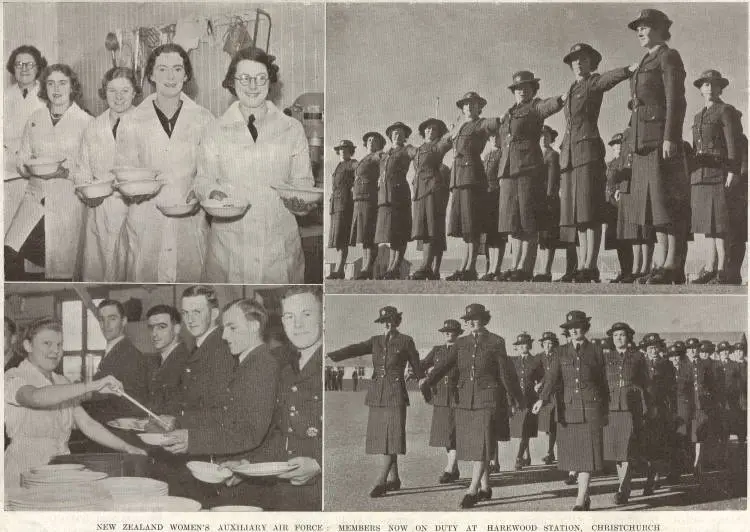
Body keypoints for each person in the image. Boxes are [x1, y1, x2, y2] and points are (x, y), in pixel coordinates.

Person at [195, 47, 313, 283]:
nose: (253, 85)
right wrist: (212, 192)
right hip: (229, 244)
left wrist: (301, 204)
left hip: (278, 245)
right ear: (232, 81)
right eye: (245, 78)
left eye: (261, 78)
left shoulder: (292, 128)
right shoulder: (214, 129)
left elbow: (303, 181)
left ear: (270, 82)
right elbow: (203, 179)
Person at [162, 298, 281, 509]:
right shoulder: (246, 363)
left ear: (254, 327)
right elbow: (225, 415)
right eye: (225, 328)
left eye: (232, 328)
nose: (225, 336)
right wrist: (180, 421)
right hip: (235, 470)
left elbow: (249, 432)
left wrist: (193, 439)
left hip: (247, 481)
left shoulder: (262, 366)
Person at [5, 318, 145, 487]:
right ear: (28, 346)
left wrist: (127, 447)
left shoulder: (61, 381)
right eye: (47, 343)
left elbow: (87, 424)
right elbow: (36, 397)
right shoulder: (13, 376)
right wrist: (92, 385)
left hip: (60, 465)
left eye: (59, 344)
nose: (55, 350)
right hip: (25, 468)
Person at [116, 43, 214, 282]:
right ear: (151, 75)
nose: (170, 77)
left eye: (177, 69)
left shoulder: (204, 118)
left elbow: (211, 171)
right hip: (146, 217)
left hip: (189, 218)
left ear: (186, 74)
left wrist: (200, 192)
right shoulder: (132, 120)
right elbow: (125, 171)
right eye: (162, 69)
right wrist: (133, 192)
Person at [421, 303, 522, 509]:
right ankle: (485, 487)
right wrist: (428, 380)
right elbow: (444, 365)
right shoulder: (461, 342)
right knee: (476, 445)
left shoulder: (496, 341)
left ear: (484, 319)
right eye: (468, 319)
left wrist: (516, 398)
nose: (471, 322)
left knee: (482, 443)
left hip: (488, 399)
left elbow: (506, 373)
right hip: (465, 400)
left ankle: (472, 489)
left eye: (475, 318)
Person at [6, 64, 92, 281]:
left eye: (63, 83)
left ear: (72, 87)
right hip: (35, 199)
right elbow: (21, 158)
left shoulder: (87, 123)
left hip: (67, 203)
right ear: (44, 87)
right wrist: (28, 167)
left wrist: (65, 173)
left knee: (58, 266)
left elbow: (91, 172)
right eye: (51, 83)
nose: (56, 89)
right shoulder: (35, 117)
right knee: (10, 251)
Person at [557, 44, 635, 282]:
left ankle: (591, 265)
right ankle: (582, 265)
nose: (578, 63)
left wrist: (628, 69)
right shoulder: (571, 89)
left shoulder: (592, 83)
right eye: (574, 60)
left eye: (583, 59)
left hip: (588, 154)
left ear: (592, 63)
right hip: (571, 156)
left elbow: (607, 80)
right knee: (579, 215)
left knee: (590, 213)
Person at [328, 306, 424, 498]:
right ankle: (394, 478)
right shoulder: (376, 341)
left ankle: (381, 481)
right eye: (384, 321)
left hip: (395, 394)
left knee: (393, 435)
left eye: (390, 320)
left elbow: (416, 365)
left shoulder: (406, 341)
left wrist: (422, 379)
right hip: (377, 394)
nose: (387, 323)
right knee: (384, 437)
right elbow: (355, 349)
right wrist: (333, 355)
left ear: (397, 321)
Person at [624, 9, 689, 285]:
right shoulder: (644, 61)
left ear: (661, 29)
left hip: (659, 140)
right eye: (637, 27)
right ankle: (662, 264)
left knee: (667, 202)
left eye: (645, 26)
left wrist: (670, 137)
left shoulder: (667, 56)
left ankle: (674, 264)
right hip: (642, 143)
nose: (640, 31)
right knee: (654, 207)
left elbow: (676, 100)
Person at [533, 310, 609, 511]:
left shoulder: (596, 350)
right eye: (570, 328)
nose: (574, 330)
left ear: (585, 328)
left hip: (592, 409)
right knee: (577, 456)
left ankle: (580, 498)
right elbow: (551, 378)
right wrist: (542, 399)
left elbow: (603, 382)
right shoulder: (561, 352)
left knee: (588, 456)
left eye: (578, 326)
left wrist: (605, 409)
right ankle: (585, 495)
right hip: (569, 410)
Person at [496, 72, 564, 281]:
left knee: (528, 220)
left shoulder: (535, 107)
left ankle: (526, 267)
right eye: (518, 88)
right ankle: (515, 265)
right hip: (508, 171)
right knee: (513, 222)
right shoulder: (508, 114)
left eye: (526, 88)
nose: (521, 91)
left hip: (527, 168)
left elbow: (549, 106)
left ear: (533, 90)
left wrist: (562, 98)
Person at [261, 286, 323, 510]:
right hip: (285, 494)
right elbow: (279, 431)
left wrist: (319, 463)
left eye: (306, 314)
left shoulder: (328, 362)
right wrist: (248, 463)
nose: (297, 325)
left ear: (323, 316)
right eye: (289, 316)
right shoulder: (284, 367)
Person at [75, 67, 139, 281]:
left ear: (134, 92)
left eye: (125, 90)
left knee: (131, 267)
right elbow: (82, 171)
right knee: (100, 271)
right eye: (112, 91)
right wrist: (87, 194)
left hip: (136, 209)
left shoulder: (145, 123)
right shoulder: (93, 127)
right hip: (100, 209)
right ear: (104, 92)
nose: (118, 97)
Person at [688, 70, 743, 284]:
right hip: (700, 175)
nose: (709, 87)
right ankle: (710, 267)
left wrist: (732, 170)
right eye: (705, 84)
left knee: (719, 224)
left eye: (713, 84)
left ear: (720, 88)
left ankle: (722, 269)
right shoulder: (697, 116)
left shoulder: (725, 111)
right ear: (701, 89)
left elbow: (733, 143)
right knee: (707, 225)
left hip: (718, 173)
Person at [445, 92, 499, 281]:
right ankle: (464, 265)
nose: (468, 107)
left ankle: (471, 267)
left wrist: (503, 119)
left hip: (472, 177)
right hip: (459, 178)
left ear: (479, 107)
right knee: (464, 227)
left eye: (473, 104)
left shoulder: (480, 123)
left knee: (472, 225)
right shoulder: (460, 127)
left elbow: (494, 123)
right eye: (466, 104)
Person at [4, 45, 47, 279]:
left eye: (29, 64)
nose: (24, 69)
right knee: (8, 240)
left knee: (27, 237)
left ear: (38, 67)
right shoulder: (5, 97)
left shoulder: (46, 95)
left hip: (36, 177)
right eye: (19, 64)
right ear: (13, 68)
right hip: (7, 175)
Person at [83, 299, 151, 426]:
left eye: (112, 318)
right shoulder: (113, 349)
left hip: (117, 429)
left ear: (124, 321)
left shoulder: (130, 355)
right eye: (102, 319)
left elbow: (133, 405)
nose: (106, 324)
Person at [603, 323, 648, 504]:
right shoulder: (606, 358)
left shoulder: (637, 357)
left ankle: (623, 487)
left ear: (628, 337)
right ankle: (623, 484)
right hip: (612, 408)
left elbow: (646, 382)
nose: (619, 338)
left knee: (627, 449)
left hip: (631, 408)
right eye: (616, 335)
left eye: (622, 335)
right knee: (617, 451)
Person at [409, 118, 452, 280]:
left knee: (432, 228)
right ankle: (432, 270)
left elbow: (448, 141)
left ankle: (427, 266)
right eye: (427, 129)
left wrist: (449, 133)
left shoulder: (438, 146)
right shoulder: (419, 149)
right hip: (420, 191)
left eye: (434, 129)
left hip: (433, 189)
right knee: (427, 229)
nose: (429, 131)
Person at [420, 319, 462, 484]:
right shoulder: (437, 350)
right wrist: (416, 373)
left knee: (453, 432)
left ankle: (450, 468)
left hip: (457, 396)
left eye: (451, 331)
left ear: (458, 333)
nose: (447, 333)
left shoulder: (463, 349)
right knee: (446, 434)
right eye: (445, 331)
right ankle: (454, 468)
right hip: (440, 397)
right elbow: (422, 364)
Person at [374, 122, 414, 279]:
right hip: (385, 197)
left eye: (400, 132)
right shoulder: (385, 154)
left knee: (400, 233)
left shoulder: (407, 149)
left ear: (405, 136)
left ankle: (395, 267)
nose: (397, 134)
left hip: (399, 194)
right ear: (390, 136)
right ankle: (391, 268)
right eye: (394, 132)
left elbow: (418, 154)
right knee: (391, 235)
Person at [536, 126, 575, 282]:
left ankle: (546, 270)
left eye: (546, 136)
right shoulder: (536, 155)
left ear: (551, 139)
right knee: (542, 239)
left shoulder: (553, 155)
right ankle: (542, 269)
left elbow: (552, 181)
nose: (543, 139)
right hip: (538, 201)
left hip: (549, 201)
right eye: (540, 136)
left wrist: (549, 197)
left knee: (550, 237)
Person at [351, 132, 386, 279]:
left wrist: (382, 177)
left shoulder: (378, 155)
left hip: (370, 198)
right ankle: (365, 269)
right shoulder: (363, 159)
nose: (371, 142)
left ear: (380, 144)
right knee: (364, 237)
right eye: (369, 140)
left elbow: (385, 162)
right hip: (359, 199)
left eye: (375, 140)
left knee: (370, 236)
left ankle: (367, 268)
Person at [144, 304, 189, 413]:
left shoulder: (187, 362)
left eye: (161, 327)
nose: (154, 333)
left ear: (177, 329)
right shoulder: (154, 361)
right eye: (151, 328)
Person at [509, 333, 543, 470]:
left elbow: (544, 377)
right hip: (518, 400)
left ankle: (518, 457)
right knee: (521, 430)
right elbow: (510, 381)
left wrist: (539, 385)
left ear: (529, 345)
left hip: (530, 399)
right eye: (520, 345)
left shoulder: (535, 361)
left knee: (524, 429)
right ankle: (527, 455)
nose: (523, 347)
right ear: (517, 347)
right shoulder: (514, 362)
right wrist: (510, 401)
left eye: (526, 344)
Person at [327, 140, 357, 279]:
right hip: (336, 204)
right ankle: (339, 270)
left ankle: (340, 269)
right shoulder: (339, 166)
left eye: (346, 149)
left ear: (350, 151)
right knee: (338, 239)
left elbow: (361, 170)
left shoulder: (352, 163)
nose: (343, 151)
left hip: (345, 204)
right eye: (341, 149)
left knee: (342, 238)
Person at [481, 133, 508, 281]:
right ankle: (490, 268)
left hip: (499, 195)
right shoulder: (486, 156)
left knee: (498, 235)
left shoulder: (503, 154)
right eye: (492, 137)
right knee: (490, 236)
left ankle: (496, 268)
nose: (495, 139)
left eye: (498, 137)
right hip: (487, 197)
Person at [535, 332, 559, 465]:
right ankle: (550, 451)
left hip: (556, 394)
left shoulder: (558, 356)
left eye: (550, 343)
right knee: (548, 425)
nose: (548, 346)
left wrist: (542, 381)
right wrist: (536, 382)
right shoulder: (539, 357)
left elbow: (552, 375)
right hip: (544, 394)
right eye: (545, 343)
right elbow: (532, 371)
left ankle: (550, 452)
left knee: (555, 423)